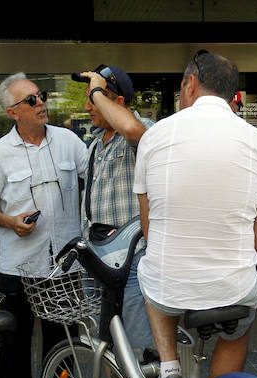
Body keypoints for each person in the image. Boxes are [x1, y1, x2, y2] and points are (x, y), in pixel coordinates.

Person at [91, 50, 257, 378]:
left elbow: (148, 229)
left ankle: (170, 370)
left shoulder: (155, 137)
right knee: (237, 331)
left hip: (169, 289)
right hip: (233, 287)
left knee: (151, 271)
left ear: (190, 84)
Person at [0, 72, 88, 378]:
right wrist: (9, 221)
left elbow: (94, 178)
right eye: (32, 100)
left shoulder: (68, 141)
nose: (42, 104)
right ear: (13, 112)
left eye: (42, 95)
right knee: (14, 344)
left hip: (63, 265)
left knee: (64, 341)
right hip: (19, 267)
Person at [75, 65, 154, 353]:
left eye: (94, 99)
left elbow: (133, 130)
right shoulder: (95, 144)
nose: (88, 107)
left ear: (116, 102)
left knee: (139, 350)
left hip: (133, 261)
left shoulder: (142, 128)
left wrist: (99, 91)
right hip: (97, 261)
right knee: (104, 349)